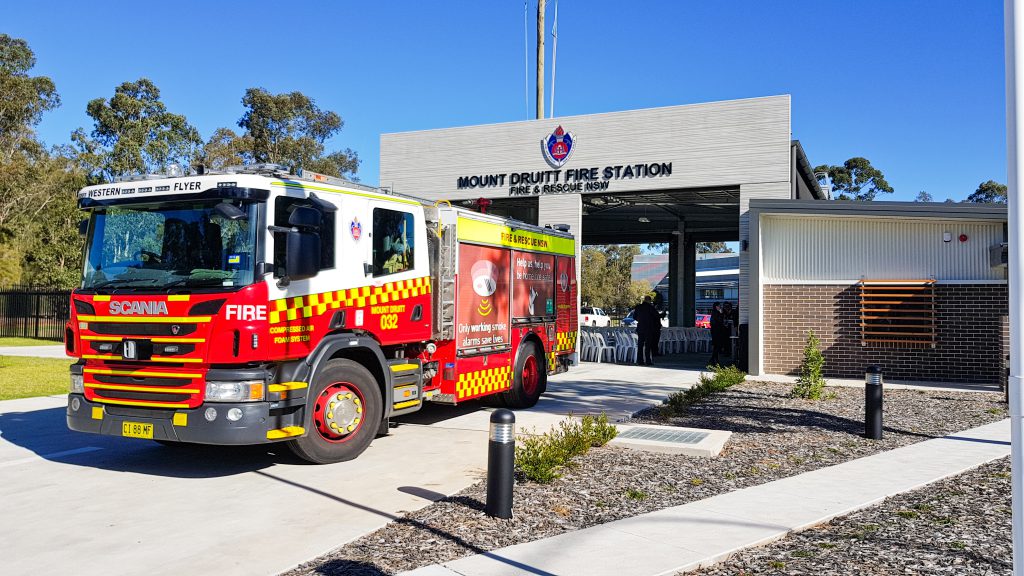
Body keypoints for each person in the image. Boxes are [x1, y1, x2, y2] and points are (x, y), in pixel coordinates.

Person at [633, 295, 659, 365]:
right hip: (649, 328)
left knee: (640, 345)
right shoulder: (650, 308)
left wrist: (641, 320)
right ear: (649, 300)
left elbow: (634, 317)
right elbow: (656, 316)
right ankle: (648, 361)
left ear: (644, 300)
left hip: (640, 328)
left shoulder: (638, 307)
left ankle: (640, 361)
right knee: (648, 345)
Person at [708, 302, 725, 366]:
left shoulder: (714, 313)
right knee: (717, 345)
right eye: (719, 306)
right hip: (716, 332)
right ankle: (714, 359)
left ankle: (714, 358)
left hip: (716, 331)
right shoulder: (716, 313)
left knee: (716, 346)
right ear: (716, 306)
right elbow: (719, 321)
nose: (720, 307)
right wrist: (721, 313)